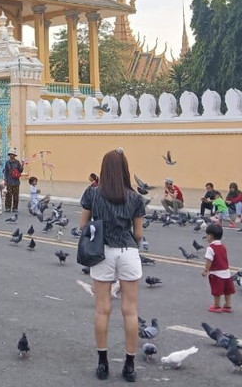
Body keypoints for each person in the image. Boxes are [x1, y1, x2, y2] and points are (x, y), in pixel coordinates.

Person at [79, 148, 145, 382]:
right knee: (130, 311)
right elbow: (138, 234)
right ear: (125, 169)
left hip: (102, 252)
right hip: (128, 251)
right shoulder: (135, 197)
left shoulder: (93, 193)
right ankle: (129, 366)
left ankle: (103, 363)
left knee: (102, 309)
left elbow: (83, 225)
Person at [201, 222, 234, 313]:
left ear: (211, 236)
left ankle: (217, 306)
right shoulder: (223, 246)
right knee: (227, 291)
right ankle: (228, 305)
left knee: (217, 291)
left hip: (216, 273)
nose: (206, 237)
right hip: (226, 272)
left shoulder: (210, 248)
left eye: (207, 235)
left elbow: (209, 260)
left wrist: (205, 270)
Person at [3, 149, 24, 214]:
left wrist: (22, 165)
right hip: (9, 181)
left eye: (12, 154)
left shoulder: (17, 162)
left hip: (16, 181)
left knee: (16, 195)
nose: (11, 155)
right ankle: (8, 207)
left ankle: (15, 207)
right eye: (10, 154)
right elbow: (6, 172)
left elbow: (20, 170)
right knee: (8, 195)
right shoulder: (7, 162)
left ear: (14, 155)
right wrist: (5, 180)